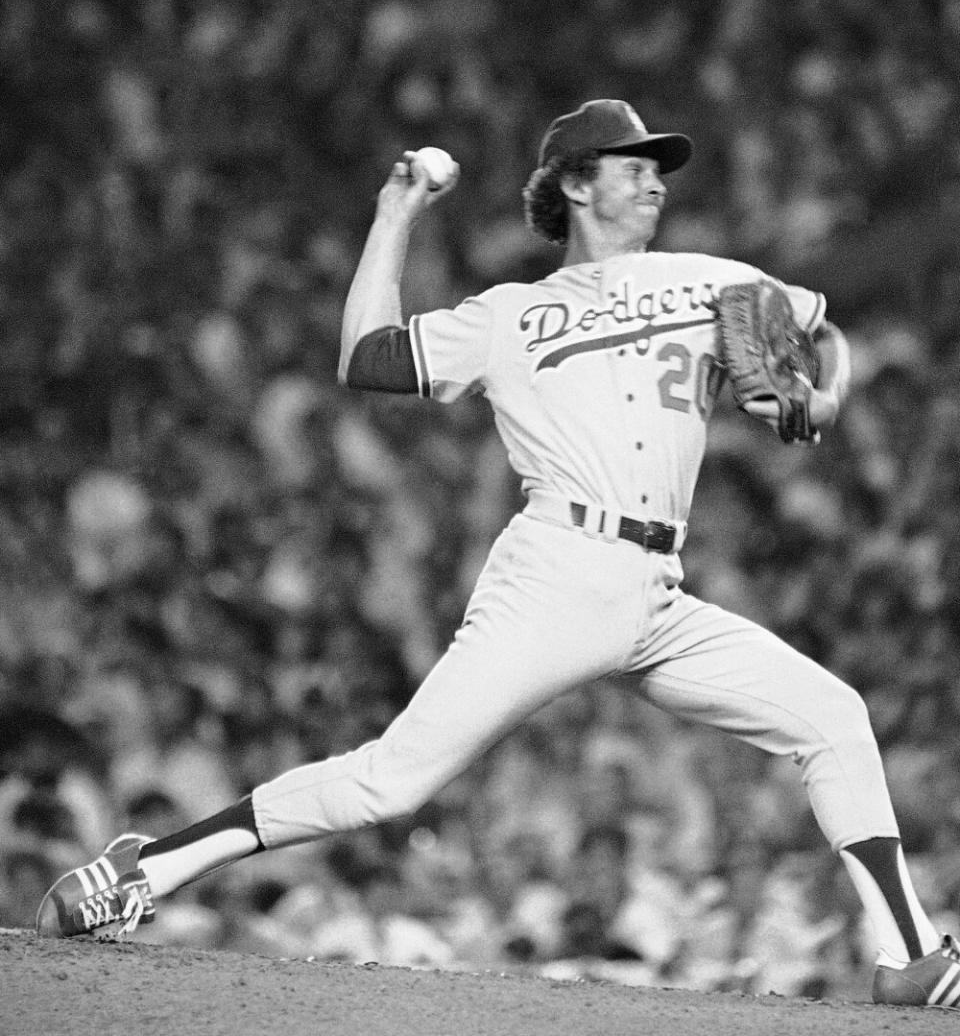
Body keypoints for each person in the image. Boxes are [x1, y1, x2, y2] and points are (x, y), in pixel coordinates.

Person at [37, 99, 960, 1008]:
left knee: (833, 717)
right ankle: (151, 865)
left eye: (656, 168)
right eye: (631, 165)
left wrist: (827, 396)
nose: (652, 181)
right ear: (573, 184)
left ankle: (907, 956)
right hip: (557, 570)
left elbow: (823, 334)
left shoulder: (712, 279)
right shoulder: (509, 315)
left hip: (659, 591)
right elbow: (365, 355)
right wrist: (394, 215)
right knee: (391, 784)